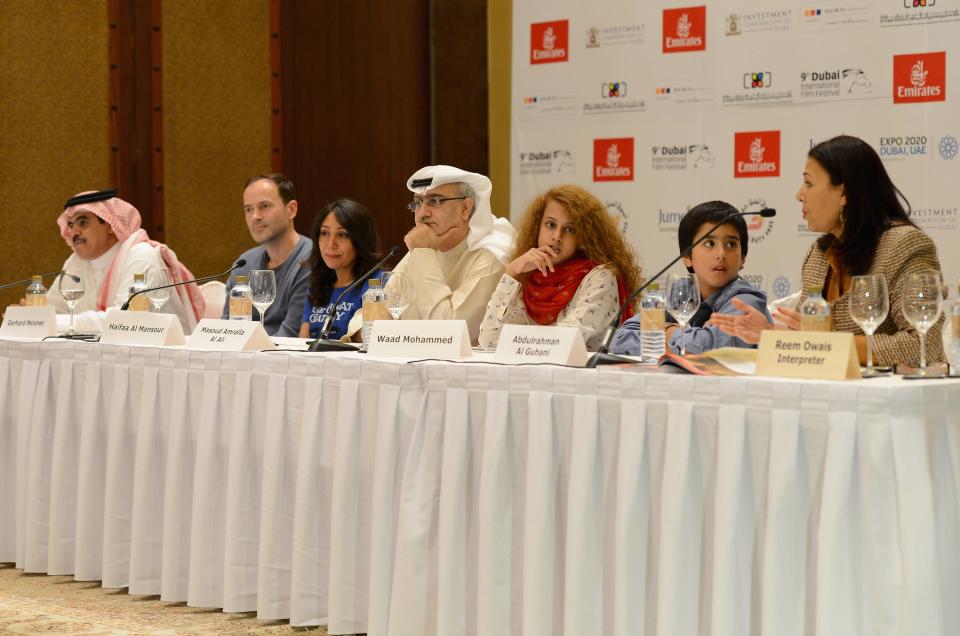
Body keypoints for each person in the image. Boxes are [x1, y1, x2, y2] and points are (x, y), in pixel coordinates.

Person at [711, 134, 944, 366]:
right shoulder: (818, 257)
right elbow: (810, 344)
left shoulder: (905, 246)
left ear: (844, 193)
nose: (799, 194)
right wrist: (770, 335)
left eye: (809, 183)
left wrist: (831, 342)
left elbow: (923, 344)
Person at [347, 164, 516, 343]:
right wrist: (374, 334)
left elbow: (449, 333)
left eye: (435, 201)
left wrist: (424, 253)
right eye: (418, 202)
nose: (422, 214)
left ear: (465, 208)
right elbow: (366, 319)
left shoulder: (491, 255)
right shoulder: (423, 249)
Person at [478, 184, 641, 350]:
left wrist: (516, 342)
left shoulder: (601, 277)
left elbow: (561, 344)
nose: (557, 237)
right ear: (537, 227)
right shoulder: (529, 275)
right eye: (550, 225)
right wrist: (511, 273)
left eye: (569, 229)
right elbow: (489, 341)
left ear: (584, 236)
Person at [611, 201, 770, 356]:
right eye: (709, 243)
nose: (721, 254)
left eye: (731, 244)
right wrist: (684, 336)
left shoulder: (745, 300)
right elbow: (620, 339)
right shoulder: (682, 291)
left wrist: (667, 331)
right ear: (687, 256)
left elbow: (710, 348)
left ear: (743, 257)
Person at [48, 189, 204, 334]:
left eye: (83, 222)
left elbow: (125, 321)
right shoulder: (76, 262)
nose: (73, 232)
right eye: (70, 224)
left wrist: (55, 322)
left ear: (109, 225)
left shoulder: (141, 256)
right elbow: (52, 307)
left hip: (159, 355)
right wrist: (33, 314)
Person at [222, 173, 311, 336]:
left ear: (291, 209)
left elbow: (291, 336)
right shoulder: (244, 264)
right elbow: (226, 331)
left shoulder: (310, 261)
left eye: (264, 206)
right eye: (248, 209)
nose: (255, 216)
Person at [299, 199, 381, 339]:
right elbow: (303, 342)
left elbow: (372, 337)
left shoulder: (376, 285)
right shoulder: (318, 284)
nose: (331, 244)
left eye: (342, 234)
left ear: (360, 240)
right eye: (324, 233)